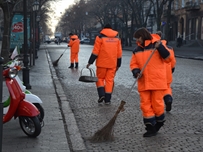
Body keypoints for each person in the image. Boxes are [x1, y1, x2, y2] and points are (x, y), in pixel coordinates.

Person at [130, 27, 172, 137]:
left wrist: (160, 48)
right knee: (145, 105)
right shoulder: (136, 50)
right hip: (143, 82)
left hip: (157, 81)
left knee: (157, 104)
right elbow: (133, 64)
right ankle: (150, 126)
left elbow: (168, 58)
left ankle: (159, 122)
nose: (137, 41)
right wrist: (136, 72)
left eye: (137, 38)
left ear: (142, 36)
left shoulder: (157, 45)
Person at [86, 23, 122, 104]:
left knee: (99, 79)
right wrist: (118, 64)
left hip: (101, 63)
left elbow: (96, 51)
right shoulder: (117, 38)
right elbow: (119, 53)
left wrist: (90, 62)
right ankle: (108, 99)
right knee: (109, 81)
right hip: (112, 63)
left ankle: (101, 94)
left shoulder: (100, 37)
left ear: (103, 29)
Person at [156, 31, 176, 112]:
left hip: (159, 71)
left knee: (158, 89)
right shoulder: (170, 48)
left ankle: (157, 106)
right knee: (167, 87)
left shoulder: (155, 48)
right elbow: (173, 61)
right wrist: (172, 69)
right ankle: (168, 99)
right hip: (168, 71)